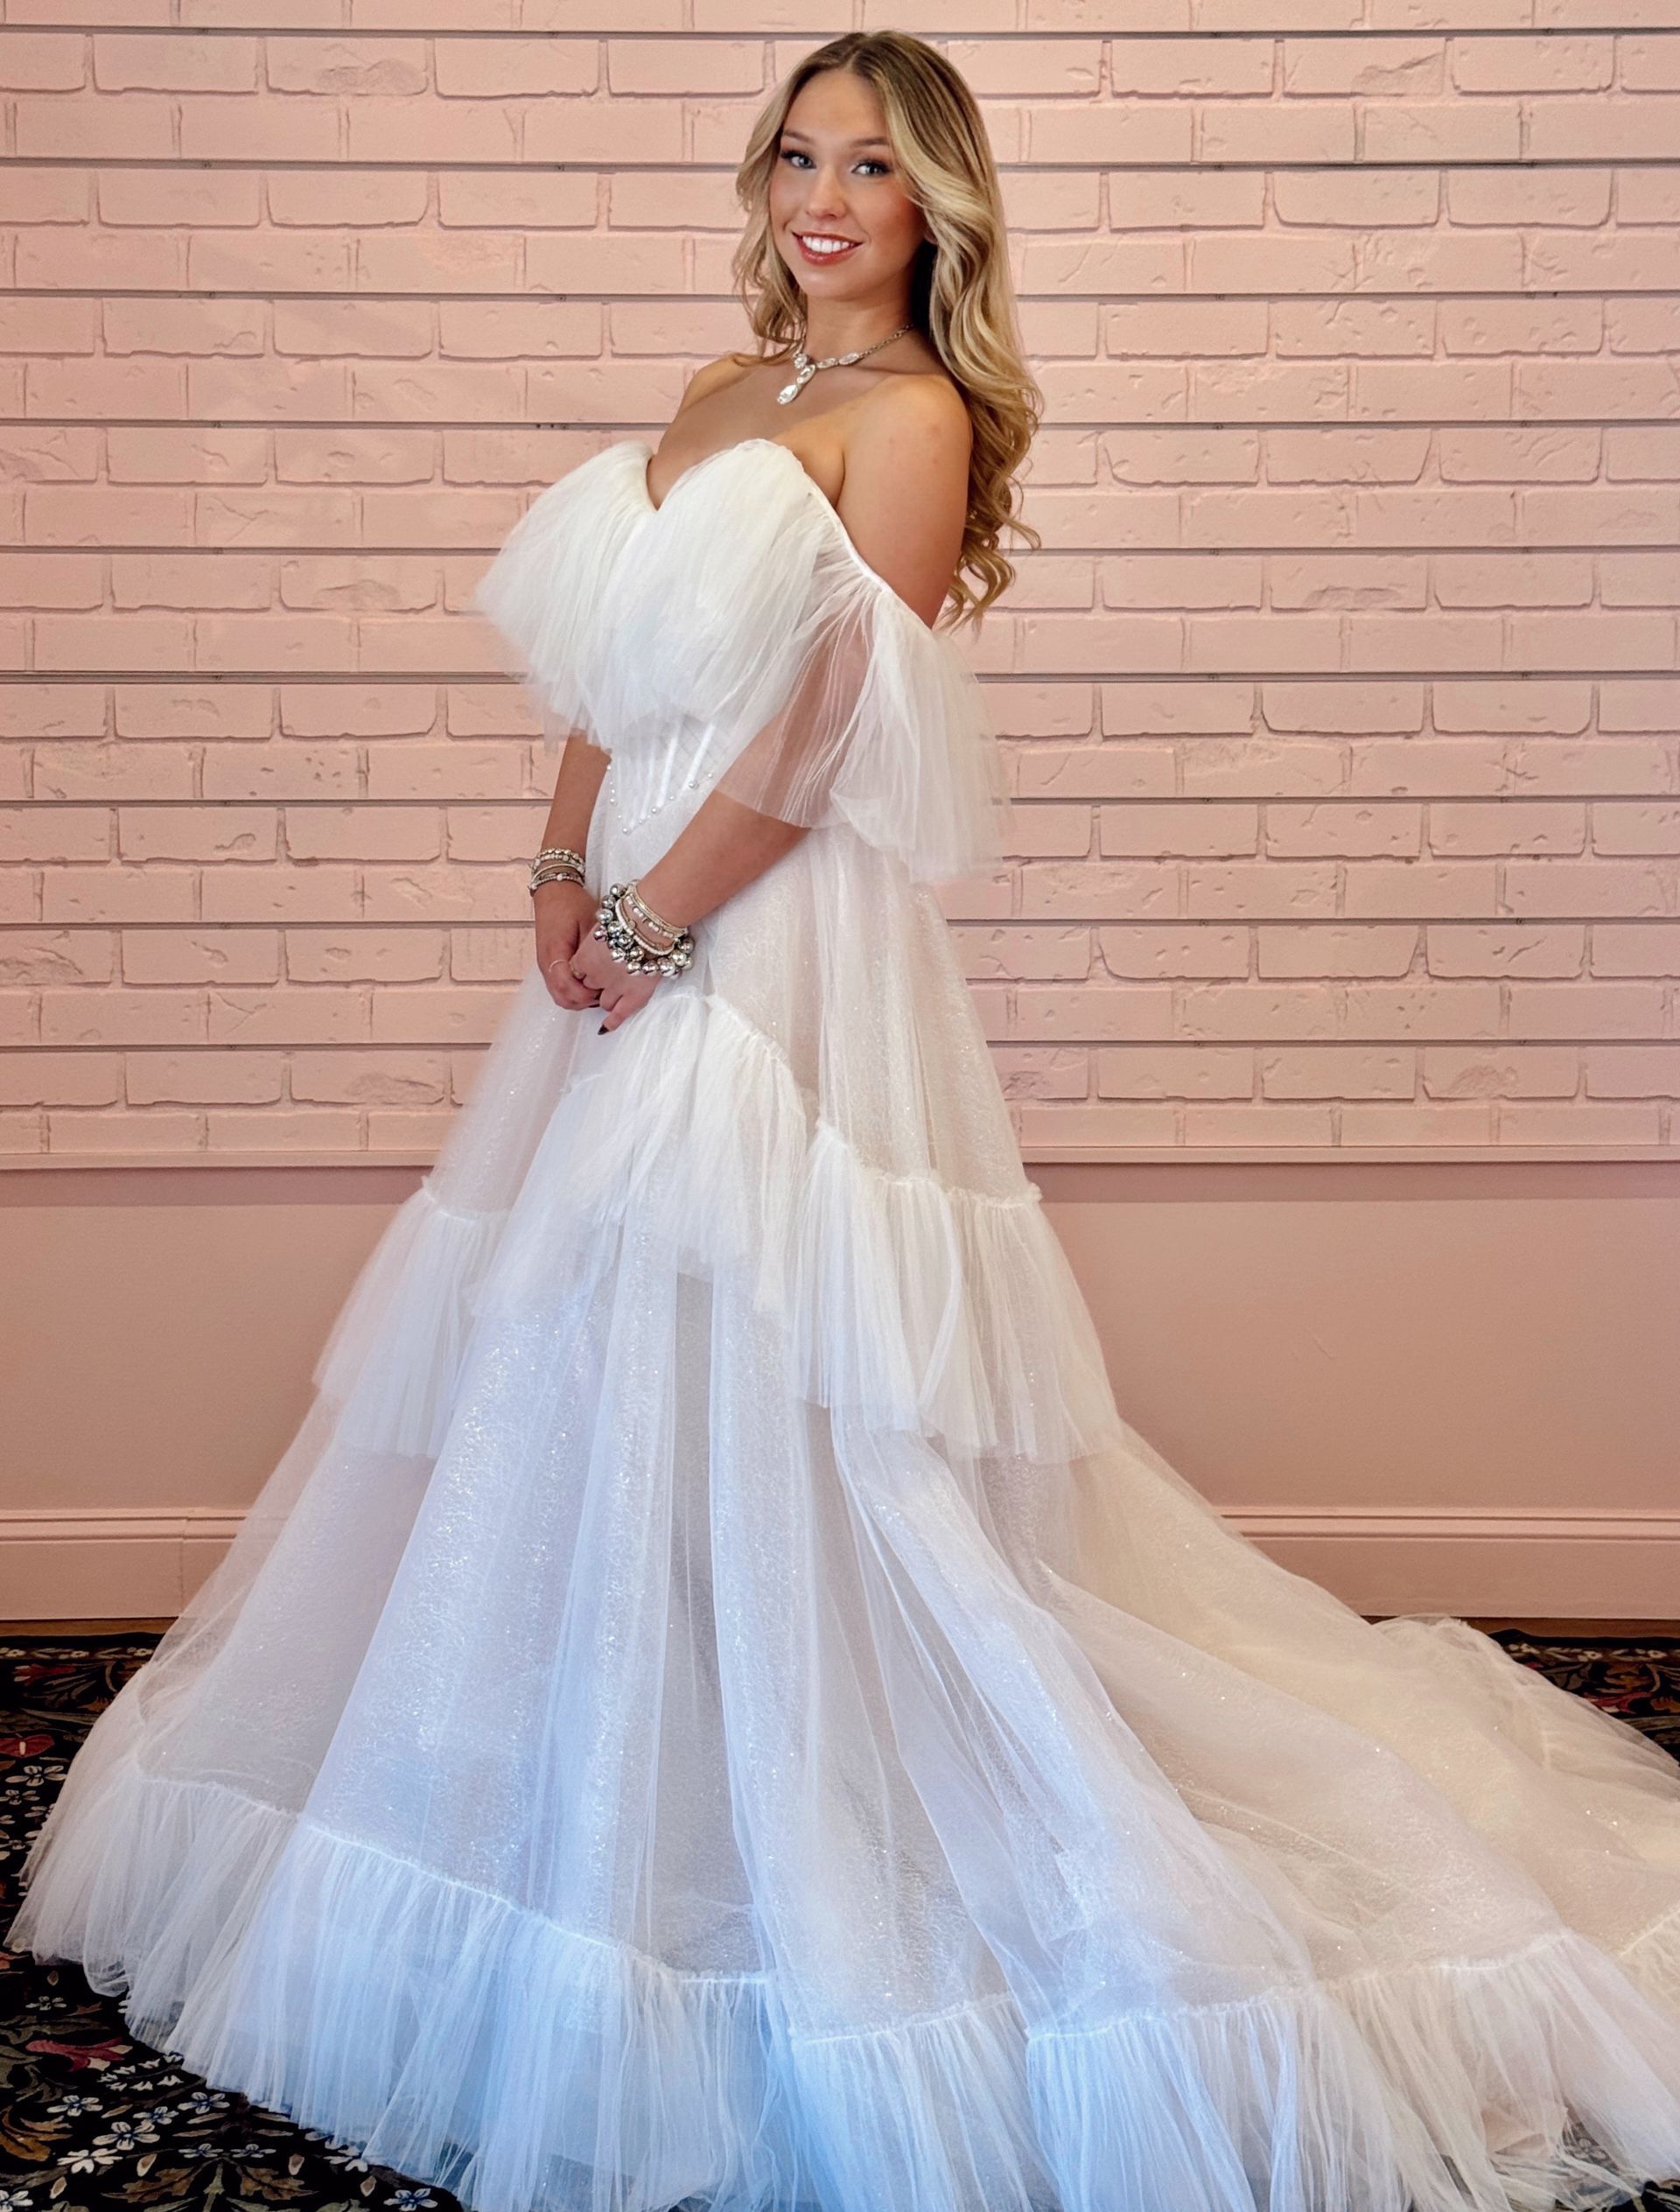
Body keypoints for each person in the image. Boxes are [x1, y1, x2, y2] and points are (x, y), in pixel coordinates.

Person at [7, 30, 1680, 2212]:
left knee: (796, 1369)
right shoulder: (719, 399)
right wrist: (552, 878)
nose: (823, 198)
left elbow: (811, 738)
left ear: (935, 209)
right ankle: (628, 1762)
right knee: (578, 1345)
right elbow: (613, 679)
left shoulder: (917, 421)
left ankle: (818, 1769)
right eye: (799, 154)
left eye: (872, 169)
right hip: (619, 928)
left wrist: (651, 924)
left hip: (771, 953)